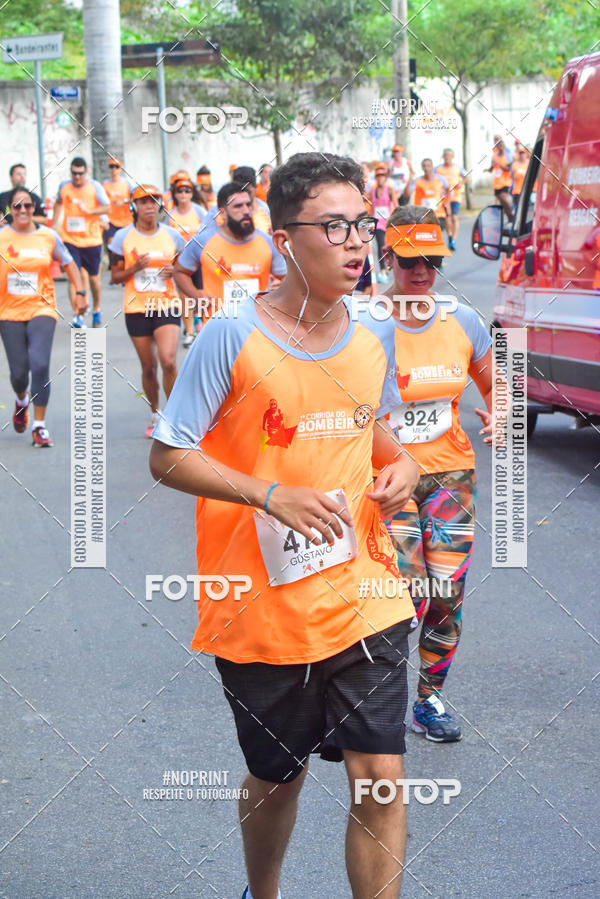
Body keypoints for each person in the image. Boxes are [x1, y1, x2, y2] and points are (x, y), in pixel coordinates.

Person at [150, 150, 419, 899]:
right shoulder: (232, 337)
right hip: (260, 607)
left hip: (366, 587)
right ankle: (261, 891)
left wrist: (409, 471)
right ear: (284, 237)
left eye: (363, 225)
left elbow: (383, 439)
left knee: (381, 776)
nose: (357, 243)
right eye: (335, 227)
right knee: (279, 775)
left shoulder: (374, 331)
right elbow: (168, 456)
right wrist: (271, 495)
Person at [381, 205, 495, 742]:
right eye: (409, 261)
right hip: (385, 477)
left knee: (446, 591)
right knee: (408, 592)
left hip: (450, 475)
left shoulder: (462, 320)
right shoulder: (361, 324)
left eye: (431, 260)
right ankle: (371, 698)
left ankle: (428, 700)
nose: (422, 272)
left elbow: (501, 384)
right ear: (388, 259)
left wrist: (502, 414)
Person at [0, 186, 85, 447]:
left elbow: (69, 262)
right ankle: (22, 399)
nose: (23, 210)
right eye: (17, 206)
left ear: (34, 208)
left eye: (28, 206)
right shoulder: (2, 237)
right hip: (9, 310)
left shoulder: (48, 236)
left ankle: (39, 426)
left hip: (42, 307)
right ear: (10, 210)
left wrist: (80, 292)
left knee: (39, 363)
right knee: (18, 374)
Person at [108, 185, 185, 438]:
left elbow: (187, 267)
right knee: (149, 366)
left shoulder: (172, 236)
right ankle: (155, 412)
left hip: (166, 304)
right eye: (143, 202)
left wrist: (176, 272)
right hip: (136, 308)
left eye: (154, 201)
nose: (149, 206)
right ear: (134, 207)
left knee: (169, 360)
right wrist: (134, 269)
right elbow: (116, 276)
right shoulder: (122, 238)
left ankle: (173, 416)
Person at [174, 181, 285, 323]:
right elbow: (179, 272)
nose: (245, 211)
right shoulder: (202, 242)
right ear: (222, 213)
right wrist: (197, 296)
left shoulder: (268, 243)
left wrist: (280, 288)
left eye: (248, 205)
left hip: (257, 326)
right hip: (217, 325)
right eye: (238, 206)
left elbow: (284, 280)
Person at [52, 157, 110, 327]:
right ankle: (78, 315)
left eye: (80, 173)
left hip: (91, 240)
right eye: (74, 173)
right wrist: (54, 225)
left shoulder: (95, 187)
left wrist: (90, 210)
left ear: (86, 173)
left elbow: (107, 208)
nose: (77, 177)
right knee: (73, 276)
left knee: (94, 279)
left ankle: (96, 308)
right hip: (70, 239)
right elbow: (58, 202)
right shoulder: (64, 186)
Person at [166, 176, 207, 347]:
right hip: (180, 261)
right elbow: (166, 238)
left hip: (198, 259)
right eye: (179, 191)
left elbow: (208, 234)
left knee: (199, 293)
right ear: (175, 194)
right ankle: (189, 331)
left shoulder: (199, 212)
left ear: (191, 194)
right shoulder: (171, 215)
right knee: (184, 296)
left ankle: (200, 325)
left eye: (187, 191)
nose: (183, 194)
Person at [370, 164, 398, 281]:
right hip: (378, 223)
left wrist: (397, 219)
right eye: (378, 176)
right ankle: (382, 271)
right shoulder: (372, 192)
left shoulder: (390, 190)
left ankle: (395, 267)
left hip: (389, 223)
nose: (380, 178)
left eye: (382, 176)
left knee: (391, 247)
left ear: (385, 178)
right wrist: (371, 220)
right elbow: (372, 208)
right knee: (381, 246)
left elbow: (396, 205)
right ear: (376, 178)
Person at [435, 149, 467, 251]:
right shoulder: (438, 169)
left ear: (452, 157)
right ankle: (449, 236)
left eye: (449, 155)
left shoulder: (457, 168)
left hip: (455, 196)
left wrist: (462, 182)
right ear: (443, 156)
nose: (447, 157)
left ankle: (453, 240)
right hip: (443, 197)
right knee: (447, 218)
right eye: (445, 155)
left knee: (454, 217)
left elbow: (466, 176)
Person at [102, 157, 133, 246]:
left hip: (126, 220)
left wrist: (124, 201)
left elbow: (135, 197)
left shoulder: (127, 183)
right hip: (111, 221)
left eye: (117, 167)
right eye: (112, 166)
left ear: (120, 169)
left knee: (127, 245)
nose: (114, 169)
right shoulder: (105, 185)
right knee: (111, 244)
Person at [411, 159, 449, 231]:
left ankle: (451, 239)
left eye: (428, 166)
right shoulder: (417, 181)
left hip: (438, 214)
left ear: (432, 167)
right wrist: (410, 177)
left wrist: (447, 204)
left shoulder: (440, 179)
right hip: (422, 216)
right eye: (424, 166)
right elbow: (407, 193)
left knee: (436, 237)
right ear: (422, 168)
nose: (426, 168)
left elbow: (448, 190)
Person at [488, 137, 514, 222]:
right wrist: (488, 169)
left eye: (502, 145)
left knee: (503, 197)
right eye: (499, 146)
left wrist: (499, 163)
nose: (501, 147)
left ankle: (512, 214)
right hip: (497, 182)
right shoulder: (494, 156)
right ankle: (510, 218)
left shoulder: (508, 156)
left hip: (506, 181)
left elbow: (507, 169)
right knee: (501, 201)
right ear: (497, 147)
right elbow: (492, 167)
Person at [511, 145, 530, 213]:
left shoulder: (529, 163)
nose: (522, 155)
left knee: (526, 210)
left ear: (526, 154)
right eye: (520, 153)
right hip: (517, 191)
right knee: (518, 209)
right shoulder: (515, 164)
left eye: (523, 153)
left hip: (527, 190)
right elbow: (512, 177)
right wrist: (518, 175)